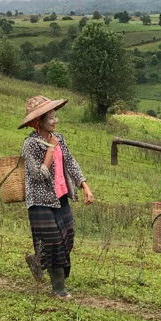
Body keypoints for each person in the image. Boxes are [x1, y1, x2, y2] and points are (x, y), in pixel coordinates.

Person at [19, 95, 94, 299]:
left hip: (60, 198)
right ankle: (58, 289)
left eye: (55, 116)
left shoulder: (59, 139)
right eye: (51, 117)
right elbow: (38, 175)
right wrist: (50, 148)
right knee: (53, 242)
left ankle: (37, 260)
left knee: (67, 238)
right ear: (39, 121)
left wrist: (84, 186)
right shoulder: (30, 145)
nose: (55, 120)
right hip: (40, 201)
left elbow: (70, 163)